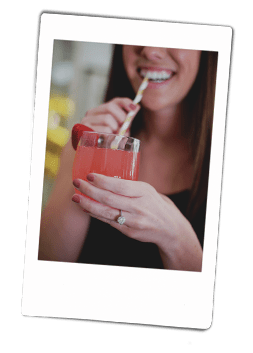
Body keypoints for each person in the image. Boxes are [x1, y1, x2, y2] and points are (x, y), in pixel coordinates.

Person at [39, 45, 217, 271]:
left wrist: (177, 238)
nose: (151, 50)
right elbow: (43, 270)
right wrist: (83, 159)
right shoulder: (87, 145)